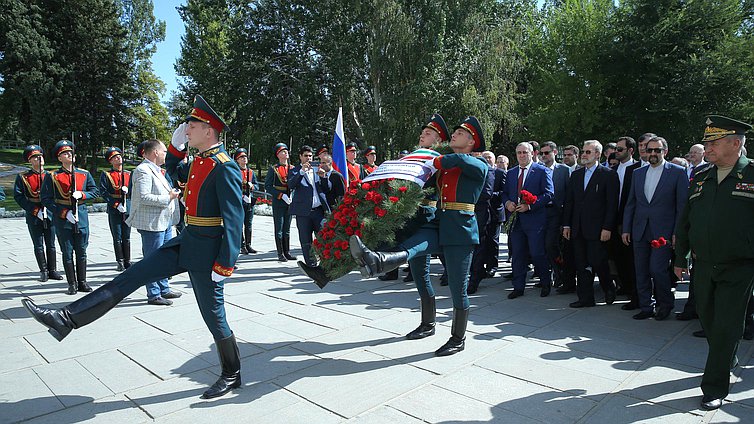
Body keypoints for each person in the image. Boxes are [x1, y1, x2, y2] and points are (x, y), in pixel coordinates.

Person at [22, 94, 244, 399]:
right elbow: (177, 173)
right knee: (132, 276)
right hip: (187, 240)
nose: (186, 128)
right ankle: (66, 319)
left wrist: (225, 264)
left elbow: (234, 218)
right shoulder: (200, 161)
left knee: (213, 315)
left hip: (208, 251)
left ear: (209, 130)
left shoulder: (225, 166)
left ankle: (232, 374)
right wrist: (177, 149)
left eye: (191, 124)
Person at [349, 116, 488, 357]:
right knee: (412, 248)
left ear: (472, 141)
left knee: (458, 287)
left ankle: (458, 338)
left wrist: (438, 159)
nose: (454, 135)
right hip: (439, 223)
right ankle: (378, 261)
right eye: (453, 132)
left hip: (460, 231)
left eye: (460, 133)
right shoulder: (446, 165)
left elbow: (467, 164)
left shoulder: (477, 164)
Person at [673, 115, 754, 410]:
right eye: (707, 143)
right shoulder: (700, 177)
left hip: (740, 267)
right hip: (704, 265)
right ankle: (726, 355)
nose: (708, 148)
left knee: (726, 326)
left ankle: (714, 387)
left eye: (714, 143)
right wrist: (680, 256)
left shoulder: (752, 175)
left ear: (736, 143)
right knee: (708, 321)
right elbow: (686, 222)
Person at [622, 136, 688, 320]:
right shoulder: (638, 173)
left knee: (657, 269)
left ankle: (665, 304)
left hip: (663, 232)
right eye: (649, 150)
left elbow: (682, 207)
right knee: (640, 270)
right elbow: (631, 204)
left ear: (665, 152)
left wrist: (677, 232)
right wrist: (626, 228)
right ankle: (646, 306)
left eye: (657, 150)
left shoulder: (677, 172)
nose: (652, 153)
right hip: (640, 229)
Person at [562, 140, 619, 308]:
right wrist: (567, 225)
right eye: (583, 151)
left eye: (588, 152)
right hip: (578, 228)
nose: (584, 155)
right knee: (581, 264)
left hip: (598, 228)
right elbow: (570, 202)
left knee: (597, 261)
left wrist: (607, 227)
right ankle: (585, 298)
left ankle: (609, 287)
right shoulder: (577, 175)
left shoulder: (608, 175)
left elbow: (611, 205)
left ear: (597, 154)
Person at [126, 139, 182, 306]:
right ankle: (153, 293)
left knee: (164, 257)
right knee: (152, 259)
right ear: (155, 152)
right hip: (152, 223)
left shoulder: (156, 170)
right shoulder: (143, 170)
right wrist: (169, 197)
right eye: (164, 151)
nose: (166, 154)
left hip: (163, 222)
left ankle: (163, 288)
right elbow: (144, 197)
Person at [41, 140, 98, 295]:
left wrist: (82, 194)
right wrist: (63, 213)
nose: (69, 155)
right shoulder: (52, 176)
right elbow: (45, 198)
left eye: (71, 152)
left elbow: (95, 191)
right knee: (67, 252)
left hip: (81, 217)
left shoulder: (84, 174)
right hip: (63, 219)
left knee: (82, 251)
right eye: (65, 153)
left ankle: (82, 282)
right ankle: (71, 283)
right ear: (59, 158)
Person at [502, 142, 554, 298]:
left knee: (537, 253)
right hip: (516, 220)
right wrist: (507, 203)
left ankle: (545, 282)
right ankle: (518, 287)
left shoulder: (541, 171)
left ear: (532, 154)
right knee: (518, 254)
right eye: (519, 153)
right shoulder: (511, 173)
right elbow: (504, 193)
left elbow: (549, 194)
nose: (522, 155)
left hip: (535, 220)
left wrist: (530, 206)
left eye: (525, 152)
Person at [13, 145, 63, 282]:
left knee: (51, 243)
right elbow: (19, 197)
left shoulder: (51, 175)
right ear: (30, 160)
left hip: (50, 214)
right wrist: (35, 210)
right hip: (34, 213)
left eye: (40, 156)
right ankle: (44, 271)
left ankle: (53, 270)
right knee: (38, 244)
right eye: (35, 157)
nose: (39, 159)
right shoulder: (23, 177)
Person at [611, 136, 642, 310]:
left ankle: (635, 293)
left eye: (620, 149)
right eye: (616, 148)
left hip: (629, 220)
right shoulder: (613, 169)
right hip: (614, 220)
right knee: (618, 257)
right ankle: (624, 286)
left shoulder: (638, 168)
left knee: (632, 259)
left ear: (631, 150)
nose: (617, 152)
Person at [288, 145, 330, 267]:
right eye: (306, 156)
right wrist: (302, 172)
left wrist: (324, 178)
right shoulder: (295, 171)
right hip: (303, 213)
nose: (308, 158)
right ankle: (311, 265)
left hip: (318, 211)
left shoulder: (318, 169)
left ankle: (326, 263)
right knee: (306, 241)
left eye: (310, 156)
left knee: (323, 238)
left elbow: (326, 189)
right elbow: (291, 185)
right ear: (300, 157)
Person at [539, 141, 571, 292]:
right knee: (542, 246)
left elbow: (569, 194)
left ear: (555, 152)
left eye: (547, 153)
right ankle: (547, 275)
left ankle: (560, 273)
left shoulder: (564, 170)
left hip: (557, 213)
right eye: (542, 153)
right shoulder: (538, 169)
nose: (544, 156)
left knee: (551, 245)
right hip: (540, 212)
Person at [100, 147, 132, 271]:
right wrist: (115, 204)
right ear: (110, 161)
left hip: (127, 208)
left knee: (127, 235)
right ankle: (120, 261)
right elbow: (103, 192)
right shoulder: (107, 174)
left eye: (119, 156)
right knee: (117, 235)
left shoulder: (128, 174)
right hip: (115, 209)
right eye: (114, 157)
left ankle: (128, 261)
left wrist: (128, 193)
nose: (118, 158)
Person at [265, 143, 296, 261]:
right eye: (283, 151)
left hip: (289, 200)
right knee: (279, 228)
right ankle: (280, 253)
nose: (286, 152)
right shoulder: (274, 169)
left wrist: (293, 195)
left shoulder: (292, 168)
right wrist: (280, 195)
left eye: (286, 151)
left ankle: (287, 251)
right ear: (278, 155)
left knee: (287, 228)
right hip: (279, 201)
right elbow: (268, 186)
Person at [235, 148, 259, 254]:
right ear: (237, 159)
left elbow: (257, 185)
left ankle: (248, 244)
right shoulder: (235, 172)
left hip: (249, 200)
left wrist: (253, 186)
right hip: (239, 200)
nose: (244, 159)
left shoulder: (251, 172)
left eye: (245, 157)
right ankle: (241, 245)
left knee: (248, 224)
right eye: (242, 157)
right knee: (239, 223)